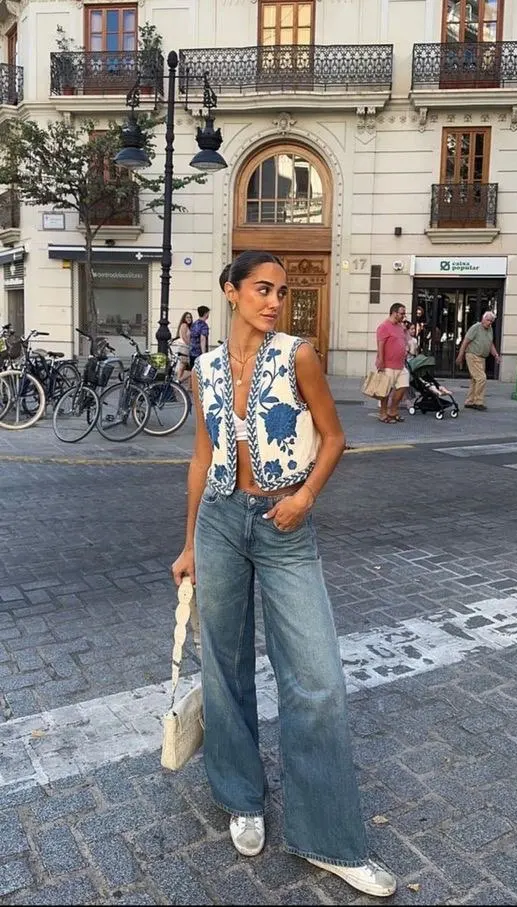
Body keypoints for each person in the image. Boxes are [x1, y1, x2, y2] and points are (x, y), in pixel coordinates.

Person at [171, 250, 397, 899]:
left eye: (281, 291)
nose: (275, 301)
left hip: (284, 524)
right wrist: (187, 544)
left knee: (317, 679)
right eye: (263, 289)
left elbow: (334, 437)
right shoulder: (205, 369)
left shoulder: (299, 355)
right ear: (231, 291)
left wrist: (304, 498)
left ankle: (330, 838)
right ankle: (241, 796)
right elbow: (201, 456)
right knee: (224, 664)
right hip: (219, 520)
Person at [455, 311, 501, 411]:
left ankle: (470, 401)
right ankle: (478, 402)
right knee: (481, 378)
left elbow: (490, 344)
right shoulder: (476, 327)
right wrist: (460, 355)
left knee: (475, 379)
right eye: (488, 320)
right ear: (483, 319)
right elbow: (466, 341)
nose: (489, 323)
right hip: (473, 355)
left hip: (482, 357)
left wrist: (496, 355)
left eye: (491, 321)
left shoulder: (490, 329)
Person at [375, 303, 409, 423]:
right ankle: (383, 413)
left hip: (400, 364)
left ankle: (393, 411)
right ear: (394, 313)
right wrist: (380, 361)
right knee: (385, 390)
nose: (404, 316)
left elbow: (403, 341)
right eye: (402, 313)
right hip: (388, 365)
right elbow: (380, 345)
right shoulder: (384, 326)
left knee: (403, 386)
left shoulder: (400, 327)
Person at [172, 311, 193, 383]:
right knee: (183, 366)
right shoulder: (184, 325)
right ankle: (178, 382)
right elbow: (184, 337)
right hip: (184, 348)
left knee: (183, 367)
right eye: (187, 317)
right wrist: (190, 345)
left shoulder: (186, 326)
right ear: (184, 318)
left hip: (184, 348)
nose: (189, 319)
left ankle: (178, 382)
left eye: (190, 317)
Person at [189, 305, 210, 369]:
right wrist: (204, 354)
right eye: (208, 313)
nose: (208, 315)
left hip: (192, 352)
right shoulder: (204, 325)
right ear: (205, 314)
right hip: (199, 353)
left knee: (193, 370)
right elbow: (202, 339)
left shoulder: (194, 324)